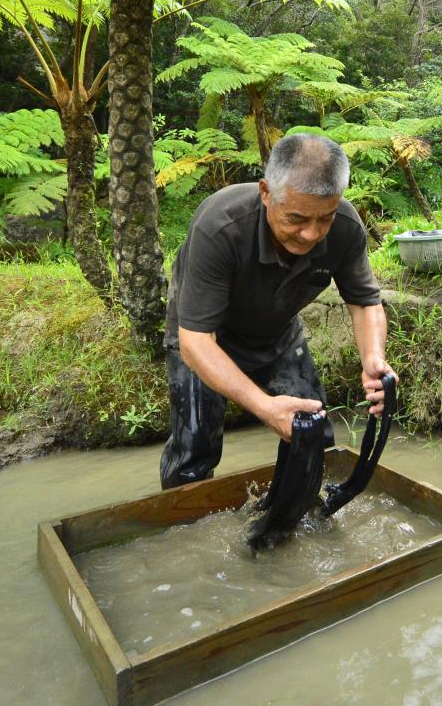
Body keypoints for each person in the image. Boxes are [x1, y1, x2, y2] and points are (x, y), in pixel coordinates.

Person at [159, 133, 396, 489]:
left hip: (278, 333)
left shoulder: (346, 228)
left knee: (314, 433)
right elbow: (196, 342)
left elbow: (365, 302)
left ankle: (300, 521)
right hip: (205, 336)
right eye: (297, 218)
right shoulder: (220, 225)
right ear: (266, 192)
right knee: (194, 453)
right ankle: (187, 530)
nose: (310, 234)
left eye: (324, 219)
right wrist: (266, 408)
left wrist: (373, 357)